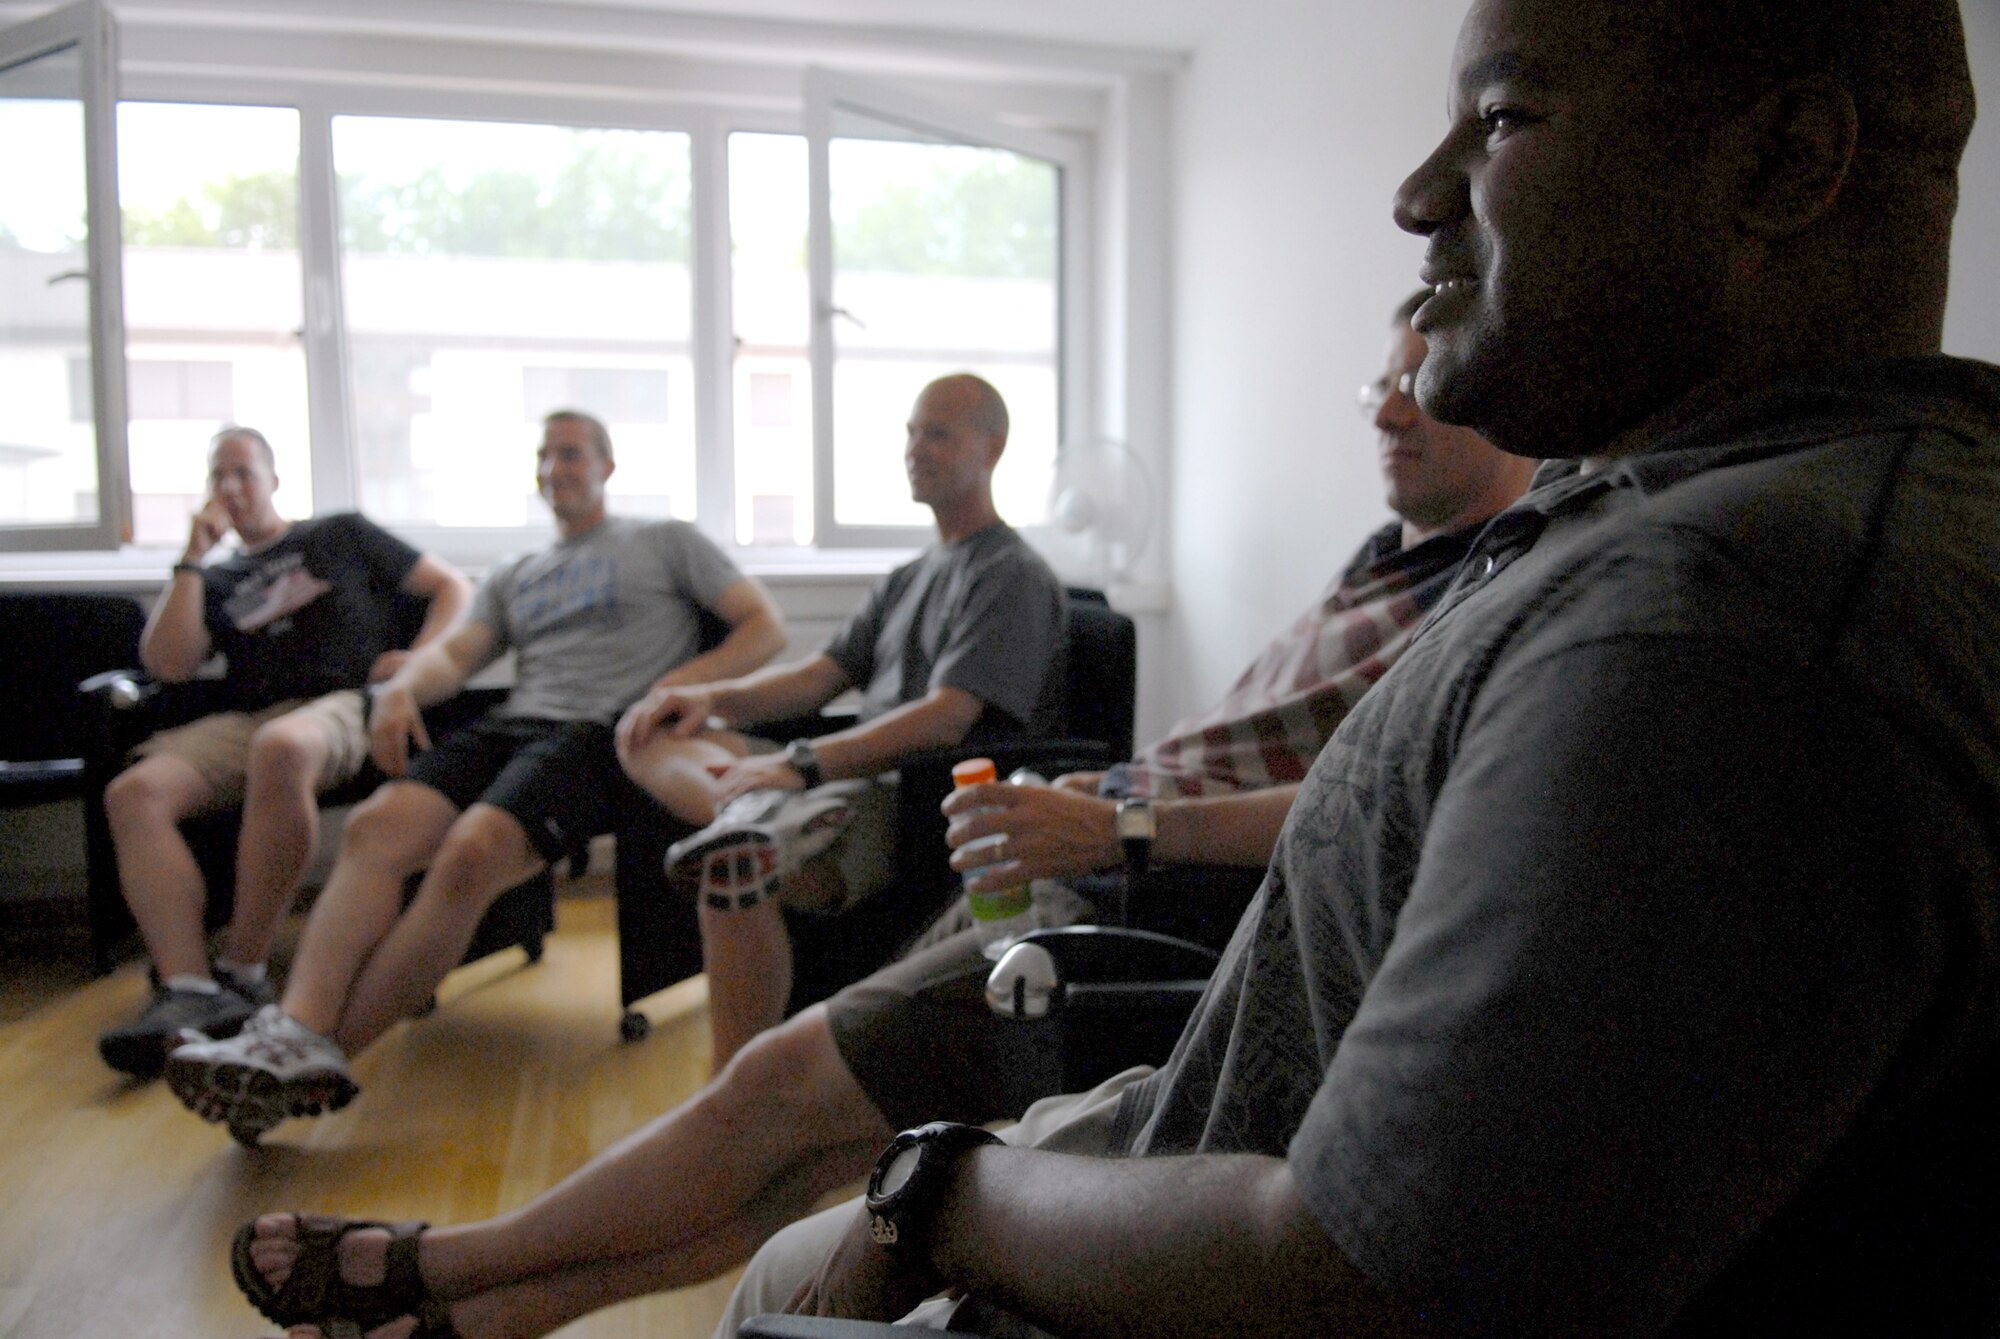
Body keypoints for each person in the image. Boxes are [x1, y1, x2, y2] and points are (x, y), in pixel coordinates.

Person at [710, 0, 1999, 1334]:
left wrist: (946, 1187)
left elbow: (1358, 1275)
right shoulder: (1680, 521)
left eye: (1502, 120)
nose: (1415, 195)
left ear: (1785, 162)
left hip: (1163, 1251)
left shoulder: (1709, 626)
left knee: (772, 1279)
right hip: (1169, 1118)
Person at [219, 311, 1535, 1339]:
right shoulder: (1385, 556)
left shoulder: (1499, 596)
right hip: (1089, 833)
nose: (1388, 403)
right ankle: (499, 1307)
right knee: (821, 1131)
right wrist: (715, 700)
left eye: (1426, 375)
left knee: (784, 1091)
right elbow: (815, 674)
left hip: (1092, 867)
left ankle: (453, 1262)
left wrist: (1110, 833)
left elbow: (1365, 810)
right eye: (1380, 377)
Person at [165, 409, 786, 1143]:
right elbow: (456, 658)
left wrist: (680, 687)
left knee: (471, 850)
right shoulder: (517, 573)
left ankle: (321, 1057)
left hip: (601, 731)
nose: (557, 468)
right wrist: (398, 692)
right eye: (546, 456)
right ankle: (292, 1029)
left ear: (608, 467)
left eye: (573, 454)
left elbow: (762, 627)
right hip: (515, 723)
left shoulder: (663, 540)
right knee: (375, 828)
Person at [614, 372, 1067, 1064]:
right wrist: (712, 700)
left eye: (937, 432)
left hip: (906, 794)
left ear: (994, 446)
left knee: (731, 868)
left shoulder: (1010, 575)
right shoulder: (909, 576)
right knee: (647, 736)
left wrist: (798, 764)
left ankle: (734, 1098)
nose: (916, 448)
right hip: (835, 773)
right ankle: (756, 814)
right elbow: (819, 676)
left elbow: (946, 720)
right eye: (911, 432)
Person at [97, 427, 471, 1080]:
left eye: (244, 472)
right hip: (247, 717)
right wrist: (190, 560)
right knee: (133, 792)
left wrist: (418, 660)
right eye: (220, 477)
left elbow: (453, 588)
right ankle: (191, 988)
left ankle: (245, 969)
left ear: (275, 479)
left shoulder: (339, 533)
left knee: (282, 745)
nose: (233, 488)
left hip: (343, 704)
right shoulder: (217, 579)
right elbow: (170, 664)